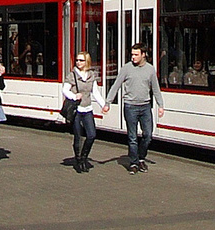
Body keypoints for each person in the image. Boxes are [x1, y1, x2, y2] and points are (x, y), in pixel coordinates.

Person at [107, 42, 163, 173]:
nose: (133, 57)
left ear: (143, 55)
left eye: (136, 55)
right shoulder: (126, 68)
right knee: (132, 137)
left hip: (145, 106)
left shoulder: (150, 69)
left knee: (148, 135)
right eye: (132, 54)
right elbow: (116, 85)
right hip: (130, 106)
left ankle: (141, 158)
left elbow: (155, 89)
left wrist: (160, 105)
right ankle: (133, 163)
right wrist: (108, 102)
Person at [63, 51, 105, 173]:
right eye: (77, 60)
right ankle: (79, 161)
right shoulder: (72, 75)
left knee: (91, 135)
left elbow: (95, 92)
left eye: (81, 60)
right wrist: (73, 96)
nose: (78, 62)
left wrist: (104, 105)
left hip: (87, 109)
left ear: (87, 61)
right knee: (78, 136)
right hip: (77, 110)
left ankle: (84, 157)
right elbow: (65, 90)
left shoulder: (92, 75)